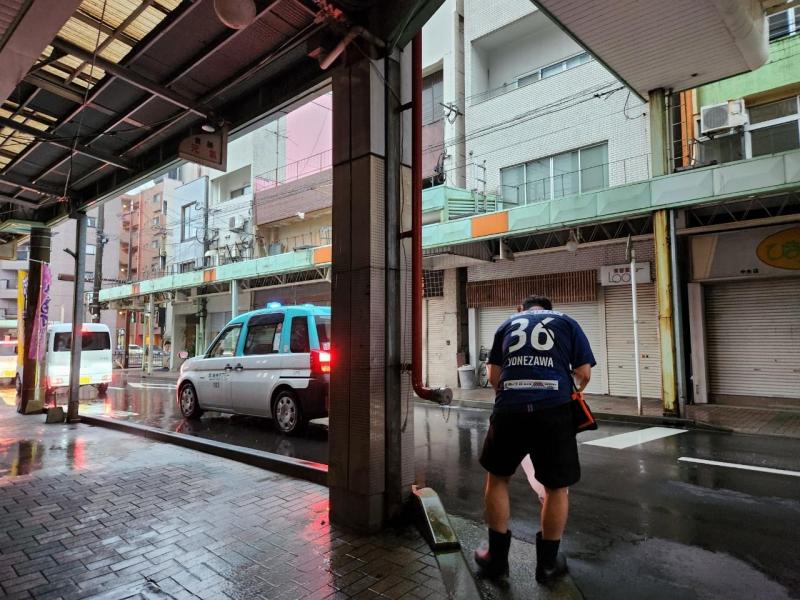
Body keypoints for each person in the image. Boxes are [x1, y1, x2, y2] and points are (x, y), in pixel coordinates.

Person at [474, 294, 595, 584]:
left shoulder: (507, 323)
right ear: (549, 310)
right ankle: (548, 567)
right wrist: (575, 388)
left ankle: (496, 562)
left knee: (498, 478)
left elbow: (493, 376)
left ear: (521, 310)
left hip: (509, 410)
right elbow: (584, 372)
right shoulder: (566, 322)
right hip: (553, 411)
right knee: (556, 488)